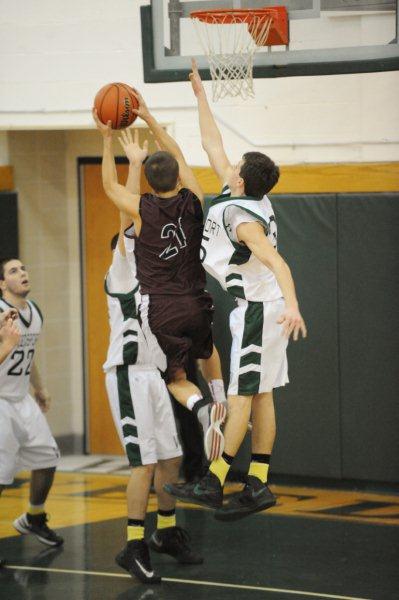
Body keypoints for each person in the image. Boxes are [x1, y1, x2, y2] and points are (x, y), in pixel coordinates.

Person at [164, 60, 307, 521]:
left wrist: (294, 305)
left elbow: (277, 261)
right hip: (264, 308)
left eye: (237, 165)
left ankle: (214, 480)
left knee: (245, 396)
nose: (231, 162)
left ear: (240, 179)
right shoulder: (244, 194)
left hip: (259, 311)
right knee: (262, 394)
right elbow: (212, 142)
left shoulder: (241, 218)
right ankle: (259, 484)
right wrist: (200, 95)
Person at [93, 108, 227, 462]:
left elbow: (109, 186)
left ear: (151, 184)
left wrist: (108, 141)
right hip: (197, 300)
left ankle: (202, 410)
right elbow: (180, 156)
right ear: (179, 178)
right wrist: (151, 120)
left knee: (176, 378)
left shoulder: (141, 210)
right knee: (207, 350)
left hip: (162, 308)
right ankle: (222, 399)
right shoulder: (195, 201)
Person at [103, 205, 203, 583]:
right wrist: (132, 166)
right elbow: (126, 221)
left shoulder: (157, 290)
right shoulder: (121, 272)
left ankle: (165, 532)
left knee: (171, 459)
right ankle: (133, 544)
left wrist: (206, 403)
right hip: (128, 376)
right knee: (143, 465)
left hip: (154, 378)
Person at [0, 258, 63, 546]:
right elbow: (11, 349)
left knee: (48, 457)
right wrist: (7, 346)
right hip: (0, 401)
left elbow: (29, 353)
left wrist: (40, 387)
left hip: (22, 398)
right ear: (2, 284)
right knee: (1, 476)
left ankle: (34, 518)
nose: (22, 273)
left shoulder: (34, 311)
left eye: (23, 268)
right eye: (13, 271)